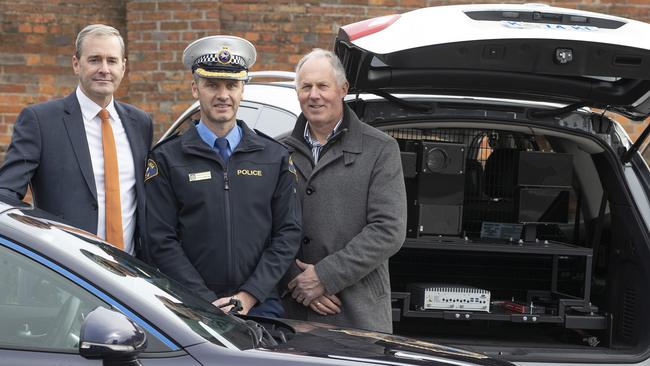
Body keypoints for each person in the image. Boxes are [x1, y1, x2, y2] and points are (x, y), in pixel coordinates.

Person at [145, 35, 301, 317]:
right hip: (189, 307)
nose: (223, 95)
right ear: (195, 88)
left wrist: (249, 295)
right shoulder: (167, 158)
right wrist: (203, 300)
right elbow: (160, 239)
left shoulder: (274, 156)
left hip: (259, 306)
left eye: (232, 85)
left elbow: (287, 234)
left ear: (243, 90)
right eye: (212, 85)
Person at [0, 24, 153, 257]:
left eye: (112, 61)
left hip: (130, 274)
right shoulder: (41, 121)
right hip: (65, 273)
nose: (104, 69)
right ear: (76, 64)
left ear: (123, 66)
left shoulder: (140, 122)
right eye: (94, 60)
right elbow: (6, 194)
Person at [283, 49, 407, 333]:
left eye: (323, 86)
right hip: (291, 311)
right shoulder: (278, 152)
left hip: (355, 312)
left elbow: (388, 230)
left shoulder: (380, 150)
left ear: (343, 89)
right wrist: (296, 280)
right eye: (306, 87)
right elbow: (264, 228)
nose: (314, 95)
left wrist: (325, 276)